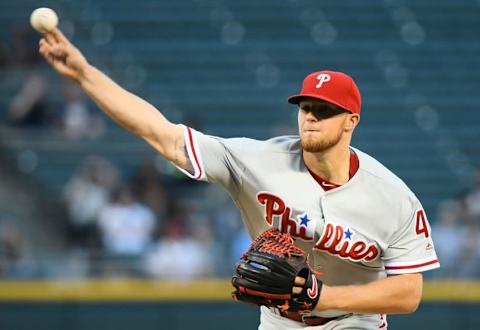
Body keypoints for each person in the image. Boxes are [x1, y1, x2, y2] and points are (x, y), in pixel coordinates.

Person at [38, 28, 439, 329]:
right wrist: (85, 74)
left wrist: (323, 297)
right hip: (280, 323)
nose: (311, 116)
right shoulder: (256, 160)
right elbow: (162, 134)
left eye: (324, 109)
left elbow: (408, 293)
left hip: (356, 322)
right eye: (305, 106)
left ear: (351, 121)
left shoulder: (392, 196)